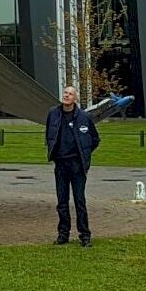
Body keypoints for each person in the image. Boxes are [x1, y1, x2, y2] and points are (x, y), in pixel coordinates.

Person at [45, 85, 100, 247]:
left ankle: (84, 235)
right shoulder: (53, 114)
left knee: (79, 201)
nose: (66, 96)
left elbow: (95, 139)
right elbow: (49, 134)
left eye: (70, 94)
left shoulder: (84, 117)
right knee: (62, 201)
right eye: (65, 93)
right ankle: (63, 234)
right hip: (61, 164)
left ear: (75, 98)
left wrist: (84, 155)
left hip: (77, 165)